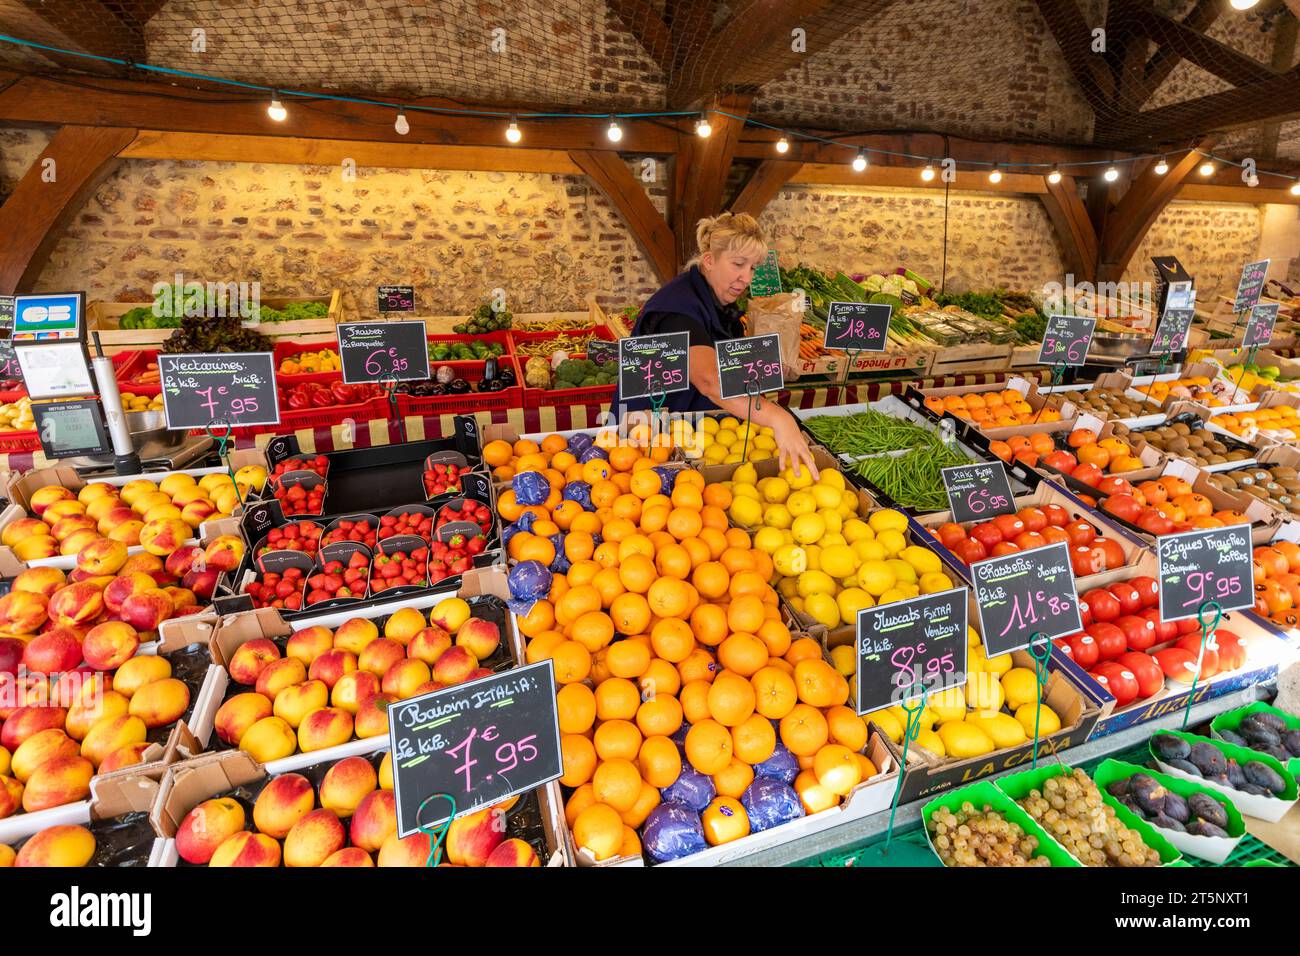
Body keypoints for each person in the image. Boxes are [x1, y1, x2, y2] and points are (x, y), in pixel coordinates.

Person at [613, 212, 819, 479]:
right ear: (709, 260)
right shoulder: (678, 307)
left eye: (753, 268)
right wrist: (778, 418)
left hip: (698, 436)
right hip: (647, 445)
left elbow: (724, 365)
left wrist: (768, 369)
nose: (747, 278)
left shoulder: (717, 300)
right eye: (738, 264)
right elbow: (710, 380)